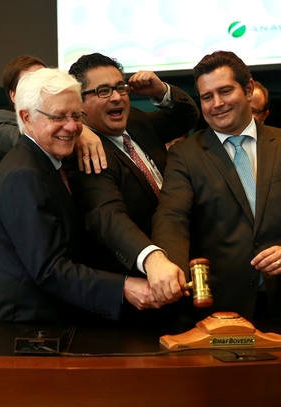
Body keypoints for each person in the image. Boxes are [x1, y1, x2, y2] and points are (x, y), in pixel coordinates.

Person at [148, 51, 281, 323]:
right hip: (218, 309)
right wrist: (170, 268)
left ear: (248, 89)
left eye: (225, 91)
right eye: (206, 97)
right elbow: (172, 217)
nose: (217, 104)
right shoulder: (186, 154)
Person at [0, 68, 160, 323]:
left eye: (76, 116)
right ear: (26, 118)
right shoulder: (23, 174)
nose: (72, 127)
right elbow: (49, 269)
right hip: (27, 332)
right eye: (59, 117)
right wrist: (123, 287)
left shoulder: (47, 162)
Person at [66, 53, 199, 325]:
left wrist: (161, 91)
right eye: (103, 91)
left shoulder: (136, 121)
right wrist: (151, 259)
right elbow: (108, 216)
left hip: (180, 268)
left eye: (120, 87)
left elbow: (187, 115)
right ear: (79, 103)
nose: (116, 97)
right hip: (143, 294)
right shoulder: (86, 153)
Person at [0, 55, 108, 177]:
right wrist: (81, 133)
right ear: (13, 95)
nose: (44, 86)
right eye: (34, 82)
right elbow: (30, 141)